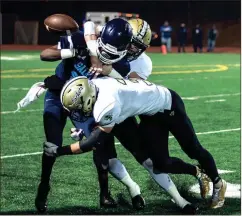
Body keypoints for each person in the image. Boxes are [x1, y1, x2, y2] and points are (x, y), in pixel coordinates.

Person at [45, 75, 227, 210]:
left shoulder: (106, 104)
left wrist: (59, 151)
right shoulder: (95, 85)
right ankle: (198, 172)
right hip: (150, 116)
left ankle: (219, 184)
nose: (77, 112)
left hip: (169, 106)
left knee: (193, 149)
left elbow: (92, 142)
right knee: (160, 164)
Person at [34, 18, 145, 212]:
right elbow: (45, 54)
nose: (108, 51)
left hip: (84, 105)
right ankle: (44, 186)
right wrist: (75, 51)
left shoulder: (122, 66)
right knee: (53, 142)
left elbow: (106, 93)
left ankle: (104, 194)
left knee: (100, 145)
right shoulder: (81, 41)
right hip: (57, 97)